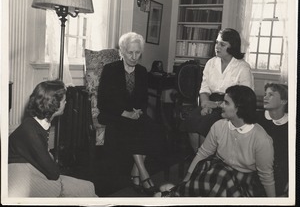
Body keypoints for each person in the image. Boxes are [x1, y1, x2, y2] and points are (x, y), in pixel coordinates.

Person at [156, 85, 276, 197]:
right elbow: (202, 154)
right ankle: (178, 193)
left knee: (222, 176)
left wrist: (274, 203)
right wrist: (185, 181)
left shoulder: (261, 139)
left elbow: (266, 177)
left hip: (243, 180)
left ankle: (173, 195)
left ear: (239, 108)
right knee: (219, 173)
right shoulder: (219, 126)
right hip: (217, 173)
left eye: (226, 103)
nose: (221, 105)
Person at [97, 32, 166, 196]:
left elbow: (143, 99)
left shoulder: (142, 71)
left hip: (134, 113)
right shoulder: (110, 70)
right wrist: (125, 113)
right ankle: (144, 175)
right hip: (113, 114)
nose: (134, 57)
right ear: (122, 51)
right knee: (134, 128)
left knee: (153, 128)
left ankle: (135, 175)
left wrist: (138, 110)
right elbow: (103, 101)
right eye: (130, 52)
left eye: (138, 53)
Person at [8, 80, 97, 197]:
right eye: (64, 100)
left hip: (28, 168)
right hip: (17, 175)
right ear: (54, 104)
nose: (66, 103)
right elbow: (53, 173)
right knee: (84, 189)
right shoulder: (30, 130)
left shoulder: (37, 122)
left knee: (88, 186)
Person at [184, 28, 254, 152]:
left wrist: (216, 105)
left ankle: (206, 161)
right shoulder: (211, 63)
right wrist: (205, 105)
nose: (217, 47)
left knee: (206, 124)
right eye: (216, 43)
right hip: (209, 102)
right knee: (192, 120)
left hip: (230, 107)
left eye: (222, 44)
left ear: (233, 46)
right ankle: (198, 158)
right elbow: (204, 89)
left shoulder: (242, 67)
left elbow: (244, 99)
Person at [257, 83, 288, 196]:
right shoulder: (257, 118)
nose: (265, 97)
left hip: (280, 172)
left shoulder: (290, 125)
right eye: (265, 94)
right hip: (256, 168)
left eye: (271, 95)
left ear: (283, 101)